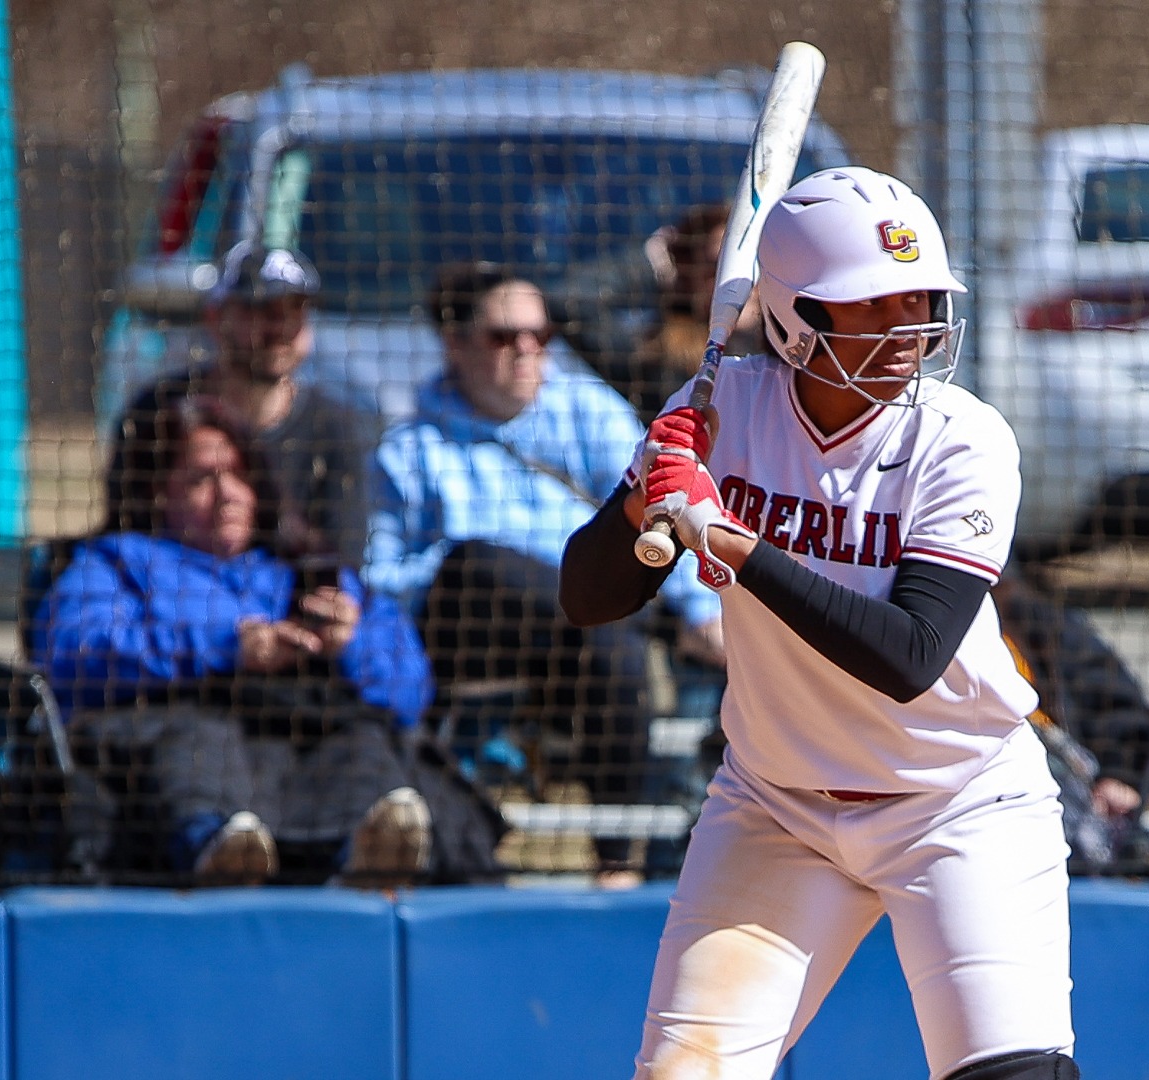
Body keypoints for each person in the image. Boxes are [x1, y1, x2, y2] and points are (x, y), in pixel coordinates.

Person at [561, 167, 1080, 1080]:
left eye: (919, 299)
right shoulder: (723, 412)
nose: (909, 328)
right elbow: (589, 598)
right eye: (874, 307)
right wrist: (645, 490)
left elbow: (910, 655)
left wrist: (730, 540)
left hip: (957, 798)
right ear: (800, 317)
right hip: (777, 804)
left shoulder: (962, 439)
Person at [364, 262, 725, 884]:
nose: (527, 351)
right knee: (481, 560)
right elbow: (383, 579)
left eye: (540, 336)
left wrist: (701, 612)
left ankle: (618, 859)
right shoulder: (410, 449)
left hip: (585, 636)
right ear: (456, 344)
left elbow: (661, 500)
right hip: (472, 633)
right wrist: (470, 561)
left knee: (610, 634)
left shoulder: (583, 409)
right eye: (504, 337)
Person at [38, 397, 496, 886]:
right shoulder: (114, 564)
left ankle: (366, 861)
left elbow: (409, 693)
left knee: (361, 740)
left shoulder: (305, 572)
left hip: (297, 753)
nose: (227, 494)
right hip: (161, 748)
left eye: (238, 475)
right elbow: (75, 650)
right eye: (200, 479)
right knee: (201, 737)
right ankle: (219, 854)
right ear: (156, 492)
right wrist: (225, 648)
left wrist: (351, 645)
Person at [108, 242, 375, 564]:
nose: (280, 327)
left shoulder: (334, 428)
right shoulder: (155, 414)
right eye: (262, 309)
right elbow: (123, 539)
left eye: (295, 311)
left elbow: (341, 565)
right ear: (215, 318)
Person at [992, 571, 1149, 874]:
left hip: (1065, 801)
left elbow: (1116, 702)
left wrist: (1118, 773)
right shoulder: (930, 622)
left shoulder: (1031, 619)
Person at [547, 204, 765, 419]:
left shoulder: (789, 344)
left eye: (751, 263)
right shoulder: (657, 356)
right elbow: (568, 301)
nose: (739, 279)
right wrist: (650, 264)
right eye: (718, 267)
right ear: (687, 277)